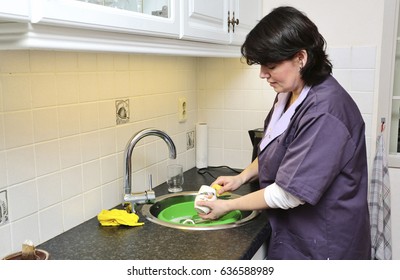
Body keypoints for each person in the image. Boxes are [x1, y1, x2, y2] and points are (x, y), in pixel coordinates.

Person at [197, 6, 371, 260]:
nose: (262, 74)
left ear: (301, 58)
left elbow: (289, 194)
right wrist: (241, 178)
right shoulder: (288, 95)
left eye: (271, 65)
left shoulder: (325, 112)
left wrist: (227, 205)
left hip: (325, 244)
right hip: (295, 234)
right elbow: (275, 146)